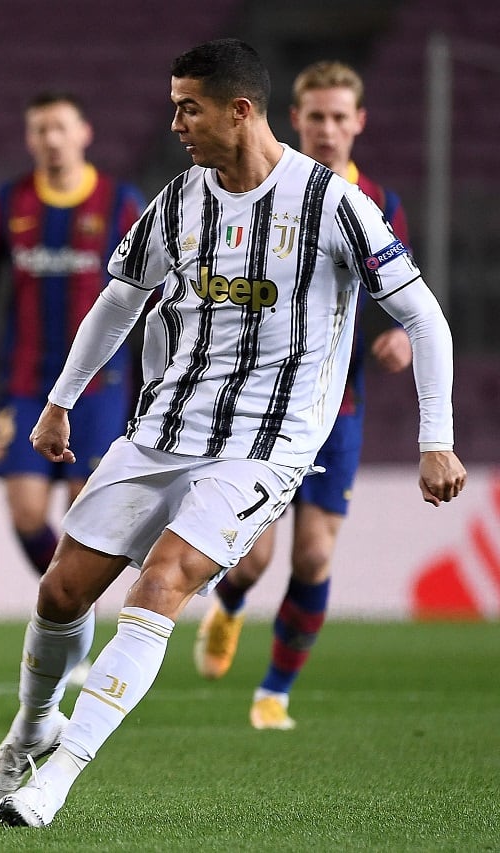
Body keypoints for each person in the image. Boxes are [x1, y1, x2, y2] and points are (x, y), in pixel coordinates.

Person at [0, 39, 466, 828]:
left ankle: (57, 776)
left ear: (240, 110)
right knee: (61, 591)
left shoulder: (331, 202)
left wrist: (434, 437)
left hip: (264, 445)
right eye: (174, 106)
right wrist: (62, 398)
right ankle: (30, 730)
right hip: (164, 425)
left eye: (187, 107)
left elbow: (424, 317)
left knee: (162, 581)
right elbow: (119, 299)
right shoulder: (179, 200)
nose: (175, 123)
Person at [194, 61, 416, 730]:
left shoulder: (379, 201)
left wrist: (401, 336)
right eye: (315, 117)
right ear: (295, 119)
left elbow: (398, 293)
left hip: (337, 407)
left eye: (338, 117)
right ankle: (230, 603)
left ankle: (274, 692)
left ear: (358, 123)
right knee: (253, 551)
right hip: (264, 402)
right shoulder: (269, 191)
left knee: (314, 553)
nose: (326, 128)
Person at [0, 91, 143, 577]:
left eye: (61, 127)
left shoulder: (121, 202)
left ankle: (68, 621)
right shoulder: (9, 202)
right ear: (29, 139)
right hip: (24, 382)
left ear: (84, 133)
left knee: (84, 513)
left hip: (98, 386)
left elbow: (157, 290)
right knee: (26, 514)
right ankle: (64, 608)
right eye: (41, 130)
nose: (52, 139)